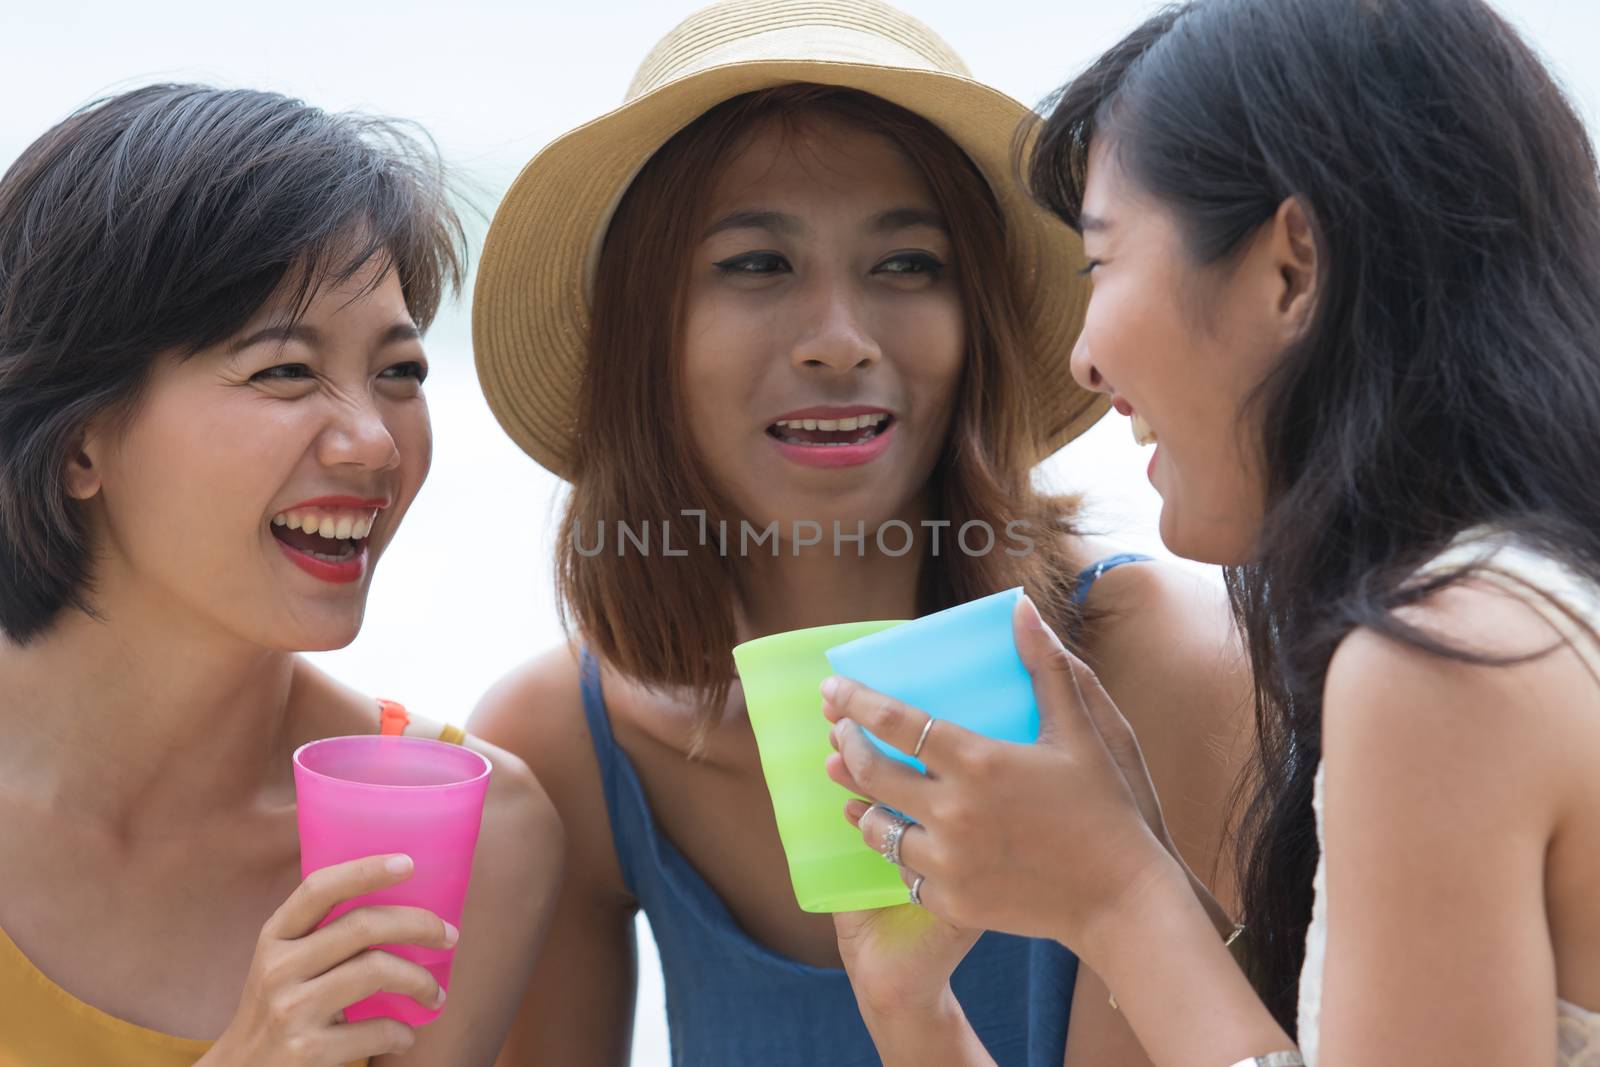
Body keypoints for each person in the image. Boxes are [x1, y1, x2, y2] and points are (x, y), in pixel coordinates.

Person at [468, 2, 1252, 1064]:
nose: (840, 341)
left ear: (976, 323)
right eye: (755, 264)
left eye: (906, 266)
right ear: (643, 335)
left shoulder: (1151, 663)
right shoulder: (562, 740)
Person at [823, 1, 1600, 1064]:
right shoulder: (1523, 608)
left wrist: (1119, 896)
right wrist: (921, 1013)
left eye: (1100, 264)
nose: (1084, 361)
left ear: (1291, 267)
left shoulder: (1447, 660)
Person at [0, 84, 562, 1067]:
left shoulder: (472, 831)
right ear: (78, 437)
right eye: (285, 371)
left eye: (399, 371)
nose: (374, 442)